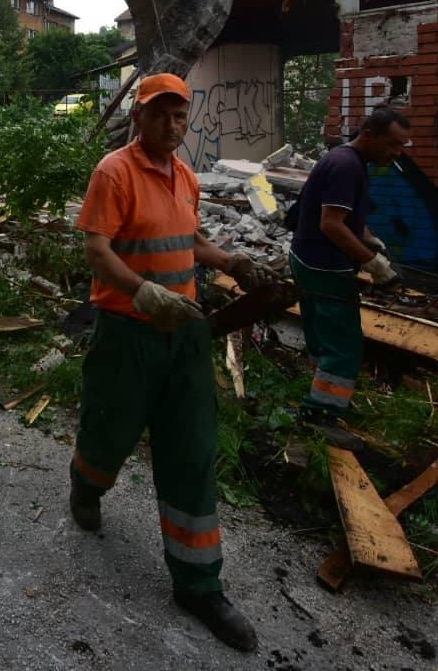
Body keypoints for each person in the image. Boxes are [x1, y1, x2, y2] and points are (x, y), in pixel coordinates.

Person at [69, 72, 270, 653]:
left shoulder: (184, 177)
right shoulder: (114, 171)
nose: (172, 124)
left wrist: (233, 260)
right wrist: (140, 293)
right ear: (139, 117)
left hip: (183, 334)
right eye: (161, 114)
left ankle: (199, 584)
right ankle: (85, 487)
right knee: (109, 430)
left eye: (180, 115)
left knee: (192, 448)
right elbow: (96, 250)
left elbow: (190, 243)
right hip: (128, 332)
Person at [288, 107, 411, 443]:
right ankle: (320, 414)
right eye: (392, 144)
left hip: (307, 258)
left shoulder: (346, 160)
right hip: (326, 265)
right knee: (343, 343)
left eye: (402, 146)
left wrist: (367, 236)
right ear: (368, 134)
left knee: (320, 333)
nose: (396, 153)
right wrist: (373, 263)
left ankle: (322, 392)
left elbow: (344, 214)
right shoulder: (347, 167)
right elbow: (331, 224)